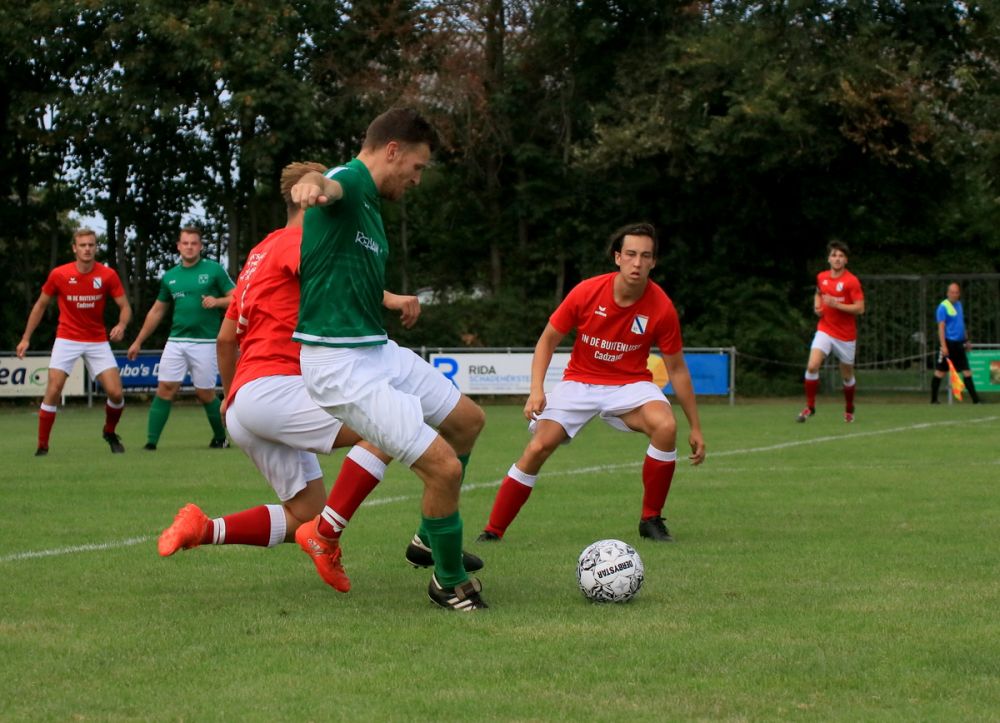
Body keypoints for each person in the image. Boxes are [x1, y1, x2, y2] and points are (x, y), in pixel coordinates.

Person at [157, 161, 482, 594]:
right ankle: (331, 535)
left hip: (246, 401)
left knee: (302, 515)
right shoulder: (300, 240)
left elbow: (225, 338)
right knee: (384, 427)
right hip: (279, 387)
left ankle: (203, 528)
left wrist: (232, 397)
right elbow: (337, 277)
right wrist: (392, 298)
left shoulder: (258, 253)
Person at [291, 108, 489, 611]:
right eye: (417, 168)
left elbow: (341, 273)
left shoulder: (371, 209)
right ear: (393, 150)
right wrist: (311, 185)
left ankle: (428, 538)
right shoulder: (350, 181)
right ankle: (447, 581)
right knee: (443, 470)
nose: (417, 180)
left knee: (467, 421)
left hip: (373, 349)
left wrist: (391, 299)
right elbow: (325, 183)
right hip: (339, 365)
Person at [476, 222, 706, 545]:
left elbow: (678, 370)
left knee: (666, 426)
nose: (637, 263)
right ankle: (493, 531)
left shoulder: (662, 307)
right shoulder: (587, 292)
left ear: (654, 262)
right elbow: (547, 341)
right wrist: (536, 390)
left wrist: (695, 426)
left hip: (630, 385)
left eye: (645, 256)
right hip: (580, 383)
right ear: (617, 257)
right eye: (630, 254)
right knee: (539, 446)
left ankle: (651, 519)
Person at [16, 228, 132, 455]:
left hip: (97, 340)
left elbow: (125, 307)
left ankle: (109, 432)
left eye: (91, 245)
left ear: (95, 248)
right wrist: (26, 338)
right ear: (74, 248)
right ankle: (42, 446)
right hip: (67, 338)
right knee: (54, 389)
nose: (87, 249)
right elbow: (40, 305)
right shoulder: (59, 275)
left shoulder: (107, 275)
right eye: (83, 245)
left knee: (116, 394)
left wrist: (122, 325)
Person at [127, 227, 235, 449]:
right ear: (178, 246)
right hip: (176, 341)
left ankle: (220, 438)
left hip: (205, 342)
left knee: (205, 393)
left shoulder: (214, 270)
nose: (189, 247)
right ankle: (151, 443)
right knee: (165, 388)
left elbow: (237, 298)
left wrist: (217, 302)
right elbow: (157, 311)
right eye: (185, 243)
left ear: (200, 246)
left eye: (194, 243)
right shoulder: (170, 276)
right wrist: (138, 341)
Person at [796, 239, 865, 423]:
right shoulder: (822, 277)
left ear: (846, 260)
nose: (837, 259)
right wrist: (817, 307)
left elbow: (860, 308)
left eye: (841, 256)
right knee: (812, 366)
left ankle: (849, 407)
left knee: (847, 375)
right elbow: (818, 293)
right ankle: (810, 407)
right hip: (825, 329)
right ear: (828, 259)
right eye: (834, 255)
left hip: (846, 335)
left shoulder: (851, 281)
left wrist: (838, 305)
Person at [931, 282, 981, 404]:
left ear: (959, 294)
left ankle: (976, 400)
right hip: (948, 343)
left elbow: (961, 324)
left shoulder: (959, 305)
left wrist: (966, 340)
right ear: (948, 293)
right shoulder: (942, 307)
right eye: (952, 292)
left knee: (966, 371)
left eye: (956, 292)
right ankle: (933, 400)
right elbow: (941, 328)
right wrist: (943, 346)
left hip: (958, 344)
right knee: (940, 372)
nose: (954, 294)